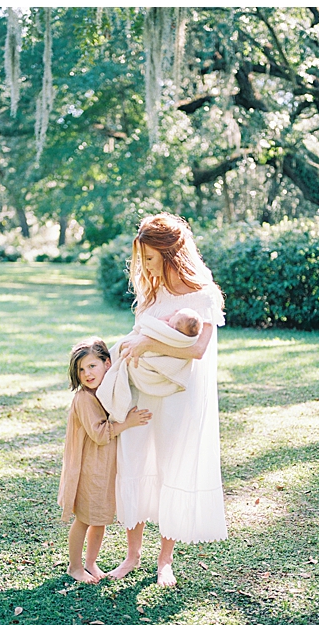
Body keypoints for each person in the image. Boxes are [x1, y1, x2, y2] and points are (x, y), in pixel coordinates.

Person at [107, 213, 227, 587]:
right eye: (141, 258)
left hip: (178, 395)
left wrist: (148, 343)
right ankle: (132, 556)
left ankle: (165, 560)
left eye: (149, 258)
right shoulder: (154, 291)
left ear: (169, 253)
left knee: (171, 465)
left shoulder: (203, 295)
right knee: (136, 458)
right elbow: (140, 331)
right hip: (143, 390)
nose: (143, 266)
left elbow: (198, 349)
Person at [57, 337, 151, 584]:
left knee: (99, 519)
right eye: (81, 369)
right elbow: (99, 434)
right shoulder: (84, 399)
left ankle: (90, 562)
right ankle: (75, 566)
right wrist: (127, 423)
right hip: (89, 468)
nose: (86, 374)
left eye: (92, 366)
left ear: (107, 364)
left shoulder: (105, 392)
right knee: (84, 520)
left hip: (105, 468)